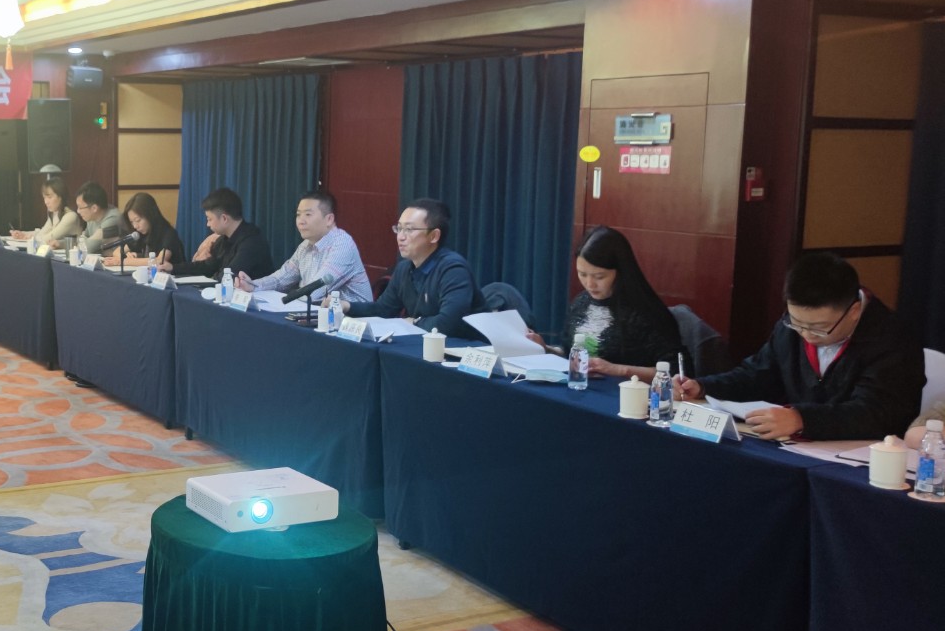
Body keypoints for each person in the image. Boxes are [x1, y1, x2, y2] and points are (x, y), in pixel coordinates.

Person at [675, 252, 923, 441]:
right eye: (797, 323)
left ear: (854, 311)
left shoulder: (893, 339)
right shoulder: (791, 328)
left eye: (819, 328)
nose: (806, 335)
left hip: (867, 456)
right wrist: (704, 387)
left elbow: (876, 413)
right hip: (800, 447)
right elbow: (758, 374)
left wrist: (802, 419)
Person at [522, 225, 681, 380]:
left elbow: (676, 371)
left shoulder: (646, 313)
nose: (589, 284)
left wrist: (618, 370)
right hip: (580, 387)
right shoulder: (581, 302)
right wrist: (546, 349)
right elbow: (569, 354)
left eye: (599, 277)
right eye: (582, 274)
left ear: (620, 272)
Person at [347, 199, 483, 337]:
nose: (400, 237)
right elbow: (383, 309)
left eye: (409, 230)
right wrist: (346, 306)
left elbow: (449, 323)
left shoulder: (453, 270)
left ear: (434, 236)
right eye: (399, 228)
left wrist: (414, 322)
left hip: (466, 345)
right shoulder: (404, 268)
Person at [238, 190, 371, 304]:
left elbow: (315, 291)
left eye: (308, 214)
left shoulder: (343, 245)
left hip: (356, 319)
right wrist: (253, 285)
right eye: (298, 215)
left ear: (329, 219)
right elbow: (281, 279)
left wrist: (285, 300)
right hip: (320, 313)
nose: (300, 221)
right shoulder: (305, 245)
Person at [177, 187, 273, 280]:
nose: (208, 224)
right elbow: (207, 267)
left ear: (224, 218)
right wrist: (173, 268)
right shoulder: (223, 240)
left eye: (209, 219)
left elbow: (229, 276)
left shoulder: (252, 242)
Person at [109, 191, 186, 270]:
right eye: (132, 222)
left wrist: (125, 261)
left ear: (150, 215)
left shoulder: (168, 234)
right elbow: (116, 252)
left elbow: (159, 261)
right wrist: (127, 256)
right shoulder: (140, 234)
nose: (135, 226)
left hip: (172, 276)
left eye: (138, 220)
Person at [11, 177, 85, 247]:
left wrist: (28, 238)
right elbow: (42, 233)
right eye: (44, 198)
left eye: (49, 197)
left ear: (61, 197)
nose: (46, 202)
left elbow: (49, 238)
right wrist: (23, 234)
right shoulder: (55, 214)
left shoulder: (70, 216)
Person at [74, 181, 122, 254]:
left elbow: (87, 248)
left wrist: (84, 243)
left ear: (94, 208)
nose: (78, 211)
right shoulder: (91, 217)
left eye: (80, 207)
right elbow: (82, 240)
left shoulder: (113, 218)